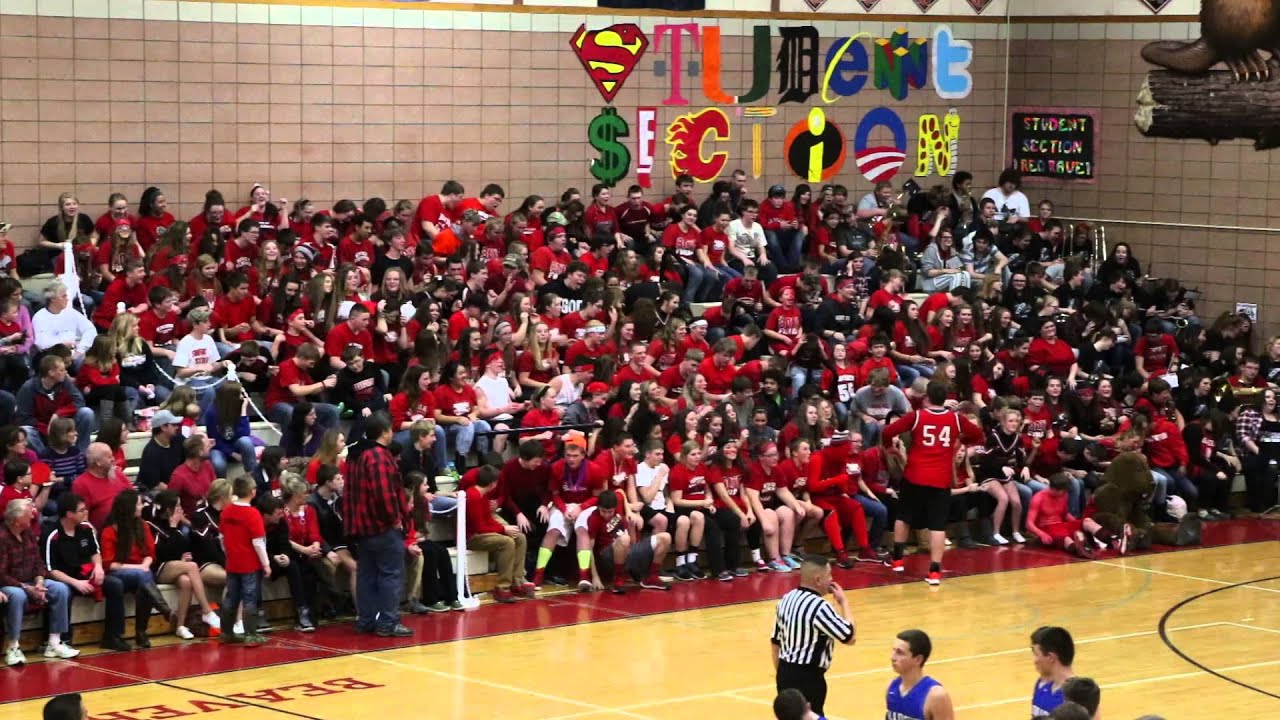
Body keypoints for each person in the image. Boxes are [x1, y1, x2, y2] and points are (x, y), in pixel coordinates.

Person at [880, 380, 984, 586]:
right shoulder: (956, 418)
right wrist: (960, 441)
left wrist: (888, 447)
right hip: (940, 479)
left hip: (915, 475)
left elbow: (887, 431)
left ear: (926, 397)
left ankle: (898, 559)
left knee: (904, 516)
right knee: (937, 525)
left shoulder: (917, 416)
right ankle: (935, 572)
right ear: (945, 398)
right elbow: (978, 435)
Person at [43, 491, 170, 652]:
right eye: (81, 510)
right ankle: (64, 639)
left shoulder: (86, 528)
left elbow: (96, 553)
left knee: (115, 584)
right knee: (63, 591)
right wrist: (76, 583)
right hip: (66, 579)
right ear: (69, 514)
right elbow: (50, 569)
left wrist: (97, 567)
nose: (86, 513)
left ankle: (112, 637)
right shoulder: (52, 535)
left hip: (87, 574)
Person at [342, 412, 411, 637]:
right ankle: (388, 623)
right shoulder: (378, 455)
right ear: (384, 432)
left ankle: (366, 620)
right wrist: (395, 519)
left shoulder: (355, 454)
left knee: (367, 575)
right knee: (391, 574)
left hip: (361, 527)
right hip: (381, 526)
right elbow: (383, 493)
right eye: (390, 429)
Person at [772, 555, 855, 717]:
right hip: (808, 677)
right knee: (811, 716)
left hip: (784, 672)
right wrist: (844, 603)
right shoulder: (820, 606)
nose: (831, 580)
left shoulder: (785, 599)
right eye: (829, 575)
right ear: (818, 580)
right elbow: (849, 636)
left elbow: (775, 643)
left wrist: (783, 675)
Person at [1, 498, 79, 666]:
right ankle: (13, 647)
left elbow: (38, 562)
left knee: (60, 588)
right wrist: (25, 587)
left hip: (32, 581)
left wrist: (39, 582)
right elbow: (1, 574)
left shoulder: (28, 532)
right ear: (16, 520)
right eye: (28, 514)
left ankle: (54, 642)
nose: (33, 516)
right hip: (10, 585)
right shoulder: (2, 537)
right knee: (18, 595)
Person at [464, 465, 535, 603]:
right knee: (507, 542)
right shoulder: (473, 496)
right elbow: (479, 527)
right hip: (473, 537)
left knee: (519, 537)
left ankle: (517, 580)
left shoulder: (483, 495)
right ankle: (503, 587)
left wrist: (505, 528)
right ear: (492, 483)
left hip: (482, 533)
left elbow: (488, 519)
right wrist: (503, 529)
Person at [218, 475, 270, 647]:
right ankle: (251, 635)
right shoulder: (253, 514)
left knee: (231, 598)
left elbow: (222, 537)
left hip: (232, 563)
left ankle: (226, 633)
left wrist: (228, 553)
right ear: (252, 492)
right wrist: (266, 564)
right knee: (250, 598)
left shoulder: (226, 512)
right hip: (250, 564)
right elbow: (258, 542)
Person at [886, 629, 955, 720]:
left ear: (918, 659)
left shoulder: (936, 696)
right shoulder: (892, 687)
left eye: (900, 653)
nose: (892, 657)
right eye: (893, 651)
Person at [1031, 626, 1076, 718]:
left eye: (1036, 654)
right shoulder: (1041, 684)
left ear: (1051, 657)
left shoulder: (1077, 697)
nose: (1034, 660)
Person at [136, 410, 184, 491]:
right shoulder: (151, 452)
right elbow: (156, 484)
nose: (177, 427)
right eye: (173, 425)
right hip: (159, 493)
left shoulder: (178, 439)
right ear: (163, 427)